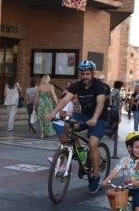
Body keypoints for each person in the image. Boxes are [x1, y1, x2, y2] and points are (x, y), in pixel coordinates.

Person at [46, 60, 107, 193]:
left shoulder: (99, 86)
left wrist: (95, 118)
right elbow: (65, 99)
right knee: (68, 126)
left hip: (100, 117)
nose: (85, 76)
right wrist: (53, 112)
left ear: (92, 73)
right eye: (83, 74)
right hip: (84, 115)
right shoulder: (77, 85)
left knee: (92, 144)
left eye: (87, 74)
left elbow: (100, 104)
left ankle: (96, 176)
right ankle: (81, 156)